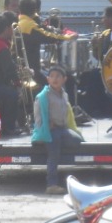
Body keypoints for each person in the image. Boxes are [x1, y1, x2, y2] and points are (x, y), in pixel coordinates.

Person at [32, 63, 78, 195]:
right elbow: (38, 115)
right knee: (54, 154)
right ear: (48, 79)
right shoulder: (43, 96)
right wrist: (46, 126)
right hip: (50, 130)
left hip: (62, 129)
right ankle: (51, 184)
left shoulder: (64, 95)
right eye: (51, 76)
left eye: (58, 76)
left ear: (64, 79)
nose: (54, 79)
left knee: (76, 140)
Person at [17, 0, 70, 89]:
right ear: (35, 10)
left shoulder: (21, 21)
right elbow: (47, 36)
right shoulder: (29, 25)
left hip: (26, 67)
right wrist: (67, 37)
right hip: (30, 69)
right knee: (52, 88)